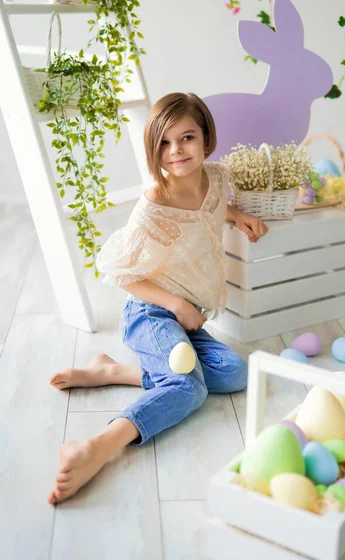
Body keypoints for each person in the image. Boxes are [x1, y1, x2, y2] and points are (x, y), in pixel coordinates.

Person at [48, 92, 269, 505]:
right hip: (152, 312)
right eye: (164, 143)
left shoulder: (216, 178)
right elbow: (120, 273)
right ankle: (96, 447)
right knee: (189, 390)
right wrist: (176, 305)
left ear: (206, 136)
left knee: (235, 373)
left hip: (188, 319)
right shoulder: (154, 205)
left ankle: (113, 371)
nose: (176, 151)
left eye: (186, 138)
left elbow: (211, 207)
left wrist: (237, 215)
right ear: (154, 149)